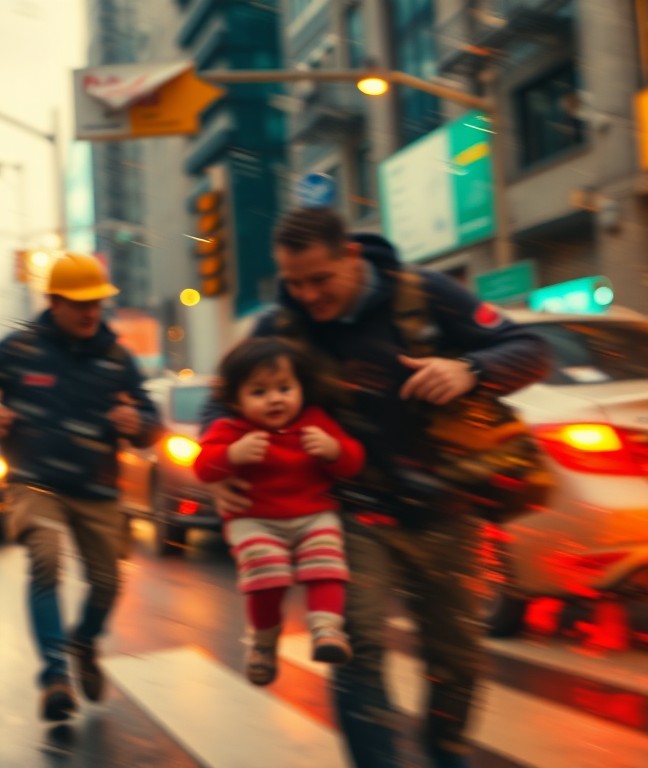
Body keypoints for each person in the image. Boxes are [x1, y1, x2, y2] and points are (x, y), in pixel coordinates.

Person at [202, 207, 549, 768]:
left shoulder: (424, 292)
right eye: (294, 282)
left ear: (352, 256)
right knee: (356, 649)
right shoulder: (279, 327)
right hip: (351, 511)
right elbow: (220, 405)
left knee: (456, 660)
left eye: (320, 279)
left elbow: (532, 349)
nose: (308, 295)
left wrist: (470, 370)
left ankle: (445, 754)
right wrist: (220, 470)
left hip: (445, 509)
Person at [0, 253, 160, 722]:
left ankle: (83, 640)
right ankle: (55, 677)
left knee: (107, 584)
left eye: (96, 303)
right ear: (53, 302)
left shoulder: (118, 359)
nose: (90, 312)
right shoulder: (21, 349)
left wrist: (137, 422)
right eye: (79, 303)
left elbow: (151, 424)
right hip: (34, 482)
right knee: (46, 558)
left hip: (97, 489)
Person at [193, 336, 366, 685]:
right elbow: (203, 467)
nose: (275, 398)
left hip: (313, 512)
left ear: (301, 387)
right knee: (266, 578)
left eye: (284, 388)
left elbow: (353, 461)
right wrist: (232, 455)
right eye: (259, 392)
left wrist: (333, 449)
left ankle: (327, 631)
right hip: (254, 519)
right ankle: (263, 644)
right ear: (235, 400)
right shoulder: (230, 430)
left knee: (326, 566)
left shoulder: (314, 422)